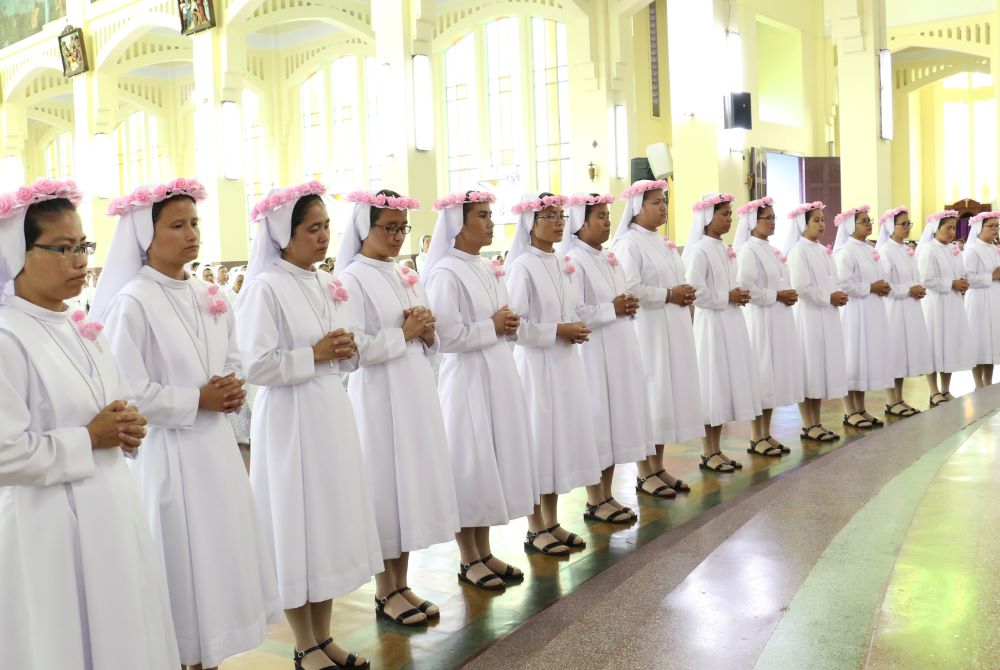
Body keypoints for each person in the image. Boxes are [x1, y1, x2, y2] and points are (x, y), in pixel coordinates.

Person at [89, 179, 282, 670]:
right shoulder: (132, 302)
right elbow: (126, 394)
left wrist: (232, 387)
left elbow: (233, 359)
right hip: (168, 457)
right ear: (145, 236)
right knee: (179, 571)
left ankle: (209, 660)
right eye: (177, 225)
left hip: (215, 452)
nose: (191, 233)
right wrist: (195, 399)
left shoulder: (206, 293)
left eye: (194, 223)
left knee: (215, 572)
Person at [0, 178, 180, 669]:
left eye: (83, 246)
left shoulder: (82, 327)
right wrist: (90, 438)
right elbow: (4, 454)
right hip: (48, 527)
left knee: (122, 635)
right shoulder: (7, 336)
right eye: (62, 248)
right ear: (18, 252)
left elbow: (110, 410)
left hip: (112, 511)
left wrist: (127, 426)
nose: (79, 259)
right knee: (64, 643)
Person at [238, 181, 381, 669]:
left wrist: (346, 349)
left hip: (328, 412)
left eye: (326, 228)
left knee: (327, 523)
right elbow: (254, 365)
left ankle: (324, 636)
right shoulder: (265, 286)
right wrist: (313, 354)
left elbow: (342, 349)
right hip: (289, 418)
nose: (323, 238)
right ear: (284, 233)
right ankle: (303, 643)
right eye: (312, 229)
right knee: (297, 522)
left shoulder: (326, 282)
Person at [336, 188, 460, 626]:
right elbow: (350, 351)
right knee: (385, 488)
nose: (397, 236)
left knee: (408, 487)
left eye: (402, 228)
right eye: (388, 228)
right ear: (363, 228)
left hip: (412, 391)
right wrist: (405, 333)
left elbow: (425, 335)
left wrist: (427, 334)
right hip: (378, 396)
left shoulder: (402, 272)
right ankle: (384, 590)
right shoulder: (351, 278)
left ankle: (402, 582)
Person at [423, 190, 539, 589]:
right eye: (483, 216)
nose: (491, 223)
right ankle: (467, 556)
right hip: (465, 378)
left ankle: (484, 550)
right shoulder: (445, 272)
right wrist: (492, 326)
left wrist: (504, 325)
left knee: (491, 459)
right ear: (458, 223)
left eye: (492, 215)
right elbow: (446, 335)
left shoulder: (486, 266)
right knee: (470, 462)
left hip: (495, 371)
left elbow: (501, 317)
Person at [505, 191, 603, 553]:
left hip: (563, 363)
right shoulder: (522, 266)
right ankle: (535, 527)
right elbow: (515, 327)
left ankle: (552, 520)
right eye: (550, 216)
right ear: (531, 223)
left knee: (557, 443)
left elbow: (571, 307)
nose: (560, 221)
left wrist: (573, 325)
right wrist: (556, 331)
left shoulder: (560, 262)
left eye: (561, 215)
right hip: (536, 367)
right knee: (538, 441)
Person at [558, 192, 650, 520]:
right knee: (598, 421)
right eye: (599, 216)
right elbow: (576, 310)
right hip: (593, 352)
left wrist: (624, 305)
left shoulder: (606, 256)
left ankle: (607, 493)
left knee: (613, 422)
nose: (607, 221)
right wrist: (613, 308)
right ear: (580, 223)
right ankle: (594, 498)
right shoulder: (573, 260)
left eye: (608, 215)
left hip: (618, 347)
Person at [610, 180, 707, 484]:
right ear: (638, 208)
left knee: (666, 398)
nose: (663, 207)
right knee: (650, 396)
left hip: (672, 329)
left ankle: (658, 466)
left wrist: (684, 292)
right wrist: (668, 294)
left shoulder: (661, 242)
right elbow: (629, 288)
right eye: (655, 202)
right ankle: (643, 472)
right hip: (648, 332)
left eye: (663, 201)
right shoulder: (629, 244)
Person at [683, 193, 762, 468]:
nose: (729, 219)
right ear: (708, 217)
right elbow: (695, 292)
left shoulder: (722, 248)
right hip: (711, 325)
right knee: (712, 384)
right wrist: (727, 296)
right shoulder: (699, 249)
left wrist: (735, 296)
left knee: (724, 384)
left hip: (730, 322)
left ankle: (716, 449)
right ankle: (708, 450)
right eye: (724, 214)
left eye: (730, 214)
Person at [734, 196, 803, 454]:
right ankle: (756, 436)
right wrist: (777, 296)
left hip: (778, 318)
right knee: (762, 375)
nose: (772, 222)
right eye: (767, 218)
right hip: (761, 320)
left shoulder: (771, 249)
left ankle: (766, 433)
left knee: (772, 376)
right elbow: (747, 289)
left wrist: (786, 293)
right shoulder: (748, 250)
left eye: (774, 217)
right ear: (753, 221)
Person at [783, 202, 847, 441]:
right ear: (803, 224)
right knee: (810, 368)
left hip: (826, 314)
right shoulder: (798, 251)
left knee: (820, 368)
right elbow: (801, 287)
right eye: (816, 220)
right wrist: (828, 297)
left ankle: (816, 421)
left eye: (822, 220)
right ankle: (808, 424)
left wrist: (837, 294)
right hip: (809, 316)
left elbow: (832, 279)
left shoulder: (821, 249)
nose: (821, 224)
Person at [832, 205, 892, 429]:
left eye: (869, 220)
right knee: (853, 357)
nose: (869, 224)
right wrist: (871, 287)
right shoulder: (846, 251)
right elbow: (843, 284)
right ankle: (849, 410)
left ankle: (860, 408)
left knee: (865, 358)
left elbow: (878, 276)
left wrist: (882, 286)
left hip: (872, 309)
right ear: (850, 226)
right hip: (854, 311)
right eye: (863, 221)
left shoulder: (869, 248)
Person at [875, 206, 930, 416]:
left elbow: (914, 276)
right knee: (895, 353)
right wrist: (909, 290)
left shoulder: (906, 249)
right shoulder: (885, 250)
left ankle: (899, 398)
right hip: (895, 309)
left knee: (905, 353)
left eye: (909, 224)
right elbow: (886, 285)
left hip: (909, 306)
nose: (907, 228)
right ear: (891, 226)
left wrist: (918, 287)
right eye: (903, 224)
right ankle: (892, 400)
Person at [917, 210, 973, 405]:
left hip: (953, 303)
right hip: (935, 304)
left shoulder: (954, 249)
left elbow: (960, 273)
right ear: (935, 229)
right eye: (947, 228)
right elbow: (927, 280)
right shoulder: (928, 250)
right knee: (934, 344)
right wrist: (952, 284)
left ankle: (946, 389)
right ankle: (933, 391)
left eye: (954, 228)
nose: (951, 232)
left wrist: (963, 282)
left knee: (948, 344)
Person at [962, 211, 1000, 388]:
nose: (995, 229)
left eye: (997, 226)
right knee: (979, 341)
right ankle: (978, 384)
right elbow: (967, 278)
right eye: (991, 226)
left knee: (991, 342)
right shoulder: (971, 250)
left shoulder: (994, 248)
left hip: (994, 299)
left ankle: (989, 382)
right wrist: (991, 277)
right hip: (978, 300)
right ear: (979, 228)